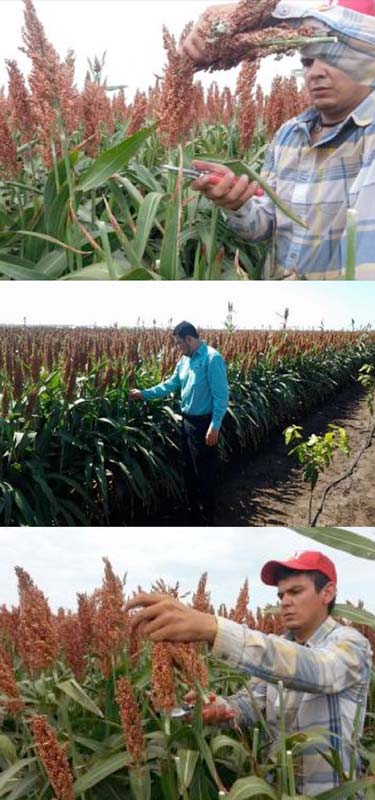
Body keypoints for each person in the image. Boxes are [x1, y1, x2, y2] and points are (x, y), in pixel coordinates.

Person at [127, 550, 373, 796]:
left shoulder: (352, 644)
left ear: (327, 592)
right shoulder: (276, 646)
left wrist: (215, 629)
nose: (285, 601)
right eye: (281, 594)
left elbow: (320, 671)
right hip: (278, 790)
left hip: (333, 792)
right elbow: (250, 704)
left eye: (296, 592)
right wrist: (218, 707)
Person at [179, 1, 375, 279]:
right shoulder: (288, 135)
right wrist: (237, 202)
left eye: (330, 57)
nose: (316, 73)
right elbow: (264, 225)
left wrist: (250, 18)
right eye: (307, 62)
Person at [128, 321, 229, 525]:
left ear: (189, 339)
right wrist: (144, 394)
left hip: (205, 425)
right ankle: (194, 517)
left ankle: (208, 519)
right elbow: (170, 385)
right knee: (189, 472)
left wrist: (215, 425)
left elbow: (221, 395)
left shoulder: (212, 358)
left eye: (179, 343)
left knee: (205, 474)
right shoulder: (184, 360)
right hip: (188, 423)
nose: (178, 347)